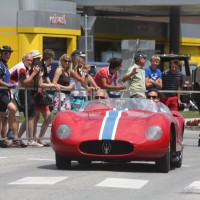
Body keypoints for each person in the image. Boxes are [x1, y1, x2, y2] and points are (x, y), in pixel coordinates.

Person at [32, 49, 59, 146]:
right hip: (37, 93)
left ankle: (37, 139)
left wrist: (53, 85)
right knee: (44, 118)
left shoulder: (44, 66)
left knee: (38, 118)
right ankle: (36, 139)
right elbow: (40, 84)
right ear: (51, 58)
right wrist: (53, 86)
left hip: (39, 94)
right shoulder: (41, 66)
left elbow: (47, 80)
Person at [0, 45, 17, 148]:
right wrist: (9, 85)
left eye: (9, 53)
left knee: (1, 117)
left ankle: (1, 139)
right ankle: (10, 131)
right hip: (1, 93)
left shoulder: (4, 65)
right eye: (5, 53)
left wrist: (10, 83)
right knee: (13, 108)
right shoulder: (0, 65)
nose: (7, 55)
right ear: (1, 53)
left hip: (4, 92)